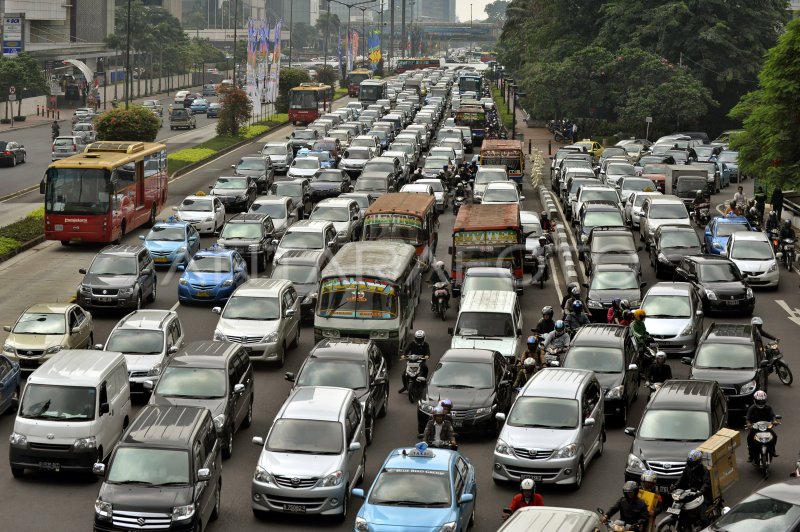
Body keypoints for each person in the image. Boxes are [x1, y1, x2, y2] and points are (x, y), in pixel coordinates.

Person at [675, 450, 712, 525]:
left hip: (703, 495)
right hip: (691, 492)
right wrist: (675, 486)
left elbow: (706, 483)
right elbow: (682, 478)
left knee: (702, 517)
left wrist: (700, 492)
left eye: (692, 463)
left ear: (698, 462)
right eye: (689, 462)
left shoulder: (704, 470)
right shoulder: (688, 467)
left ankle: (709, 528)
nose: (690, 464)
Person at [746, 390, 779, 461]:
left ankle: (773, 450)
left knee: (775, 436)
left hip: (766, 427)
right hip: (755, 428)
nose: (760, 403)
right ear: (754, 400)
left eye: (762, 401)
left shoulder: (768, 408)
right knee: (749, 438)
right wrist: (748, 424)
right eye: (759, 401)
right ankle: (751, 455)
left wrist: (774, 421)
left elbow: (773, 416)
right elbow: (748, 418)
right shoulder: (751, 408)